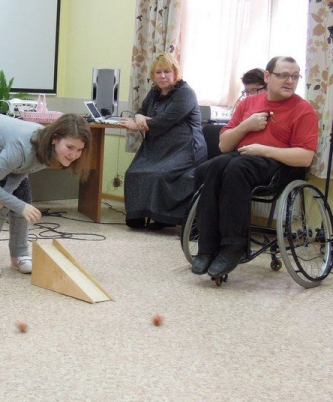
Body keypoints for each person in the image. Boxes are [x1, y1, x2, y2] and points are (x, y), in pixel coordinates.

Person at [191, 56, 318, 279]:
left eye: (295, 76)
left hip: (278, 164)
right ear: (267, 77)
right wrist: (246, 126)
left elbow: (305, 157)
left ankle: (233, 246)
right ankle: (207, 247)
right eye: (283, 75)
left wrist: (263, 149)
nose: (290, 81)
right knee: (214, 166)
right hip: (242, 157)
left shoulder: (303, 109)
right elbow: (224, 145)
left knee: (237, 168)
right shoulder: (248, 104)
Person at [0, 113, 91, 276]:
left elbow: (22, 169)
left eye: (79, 149)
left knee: (21, 197)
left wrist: (13, 199)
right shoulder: (22, 148)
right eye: (70, 147)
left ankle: (19, 255)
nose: (74, 155)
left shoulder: (49, 150)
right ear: (55, 139)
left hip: (9, 151)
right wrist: (14, 203)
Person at [119, 52, 207, 230]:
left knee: (159, 174)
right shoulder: (154, 93)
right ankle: (138, 217)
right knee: (133, 172)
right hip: (159, 147)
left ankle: (164, 218)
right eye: (158, 72)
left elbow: (164, 121)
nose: (163, 76)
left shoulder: (186, 93)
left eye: (167, 71)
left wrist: (138, 124)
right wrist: (139, 116)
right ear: (153, 75)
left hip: (185, 148)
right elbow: (141, 110)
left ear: (175, 73)